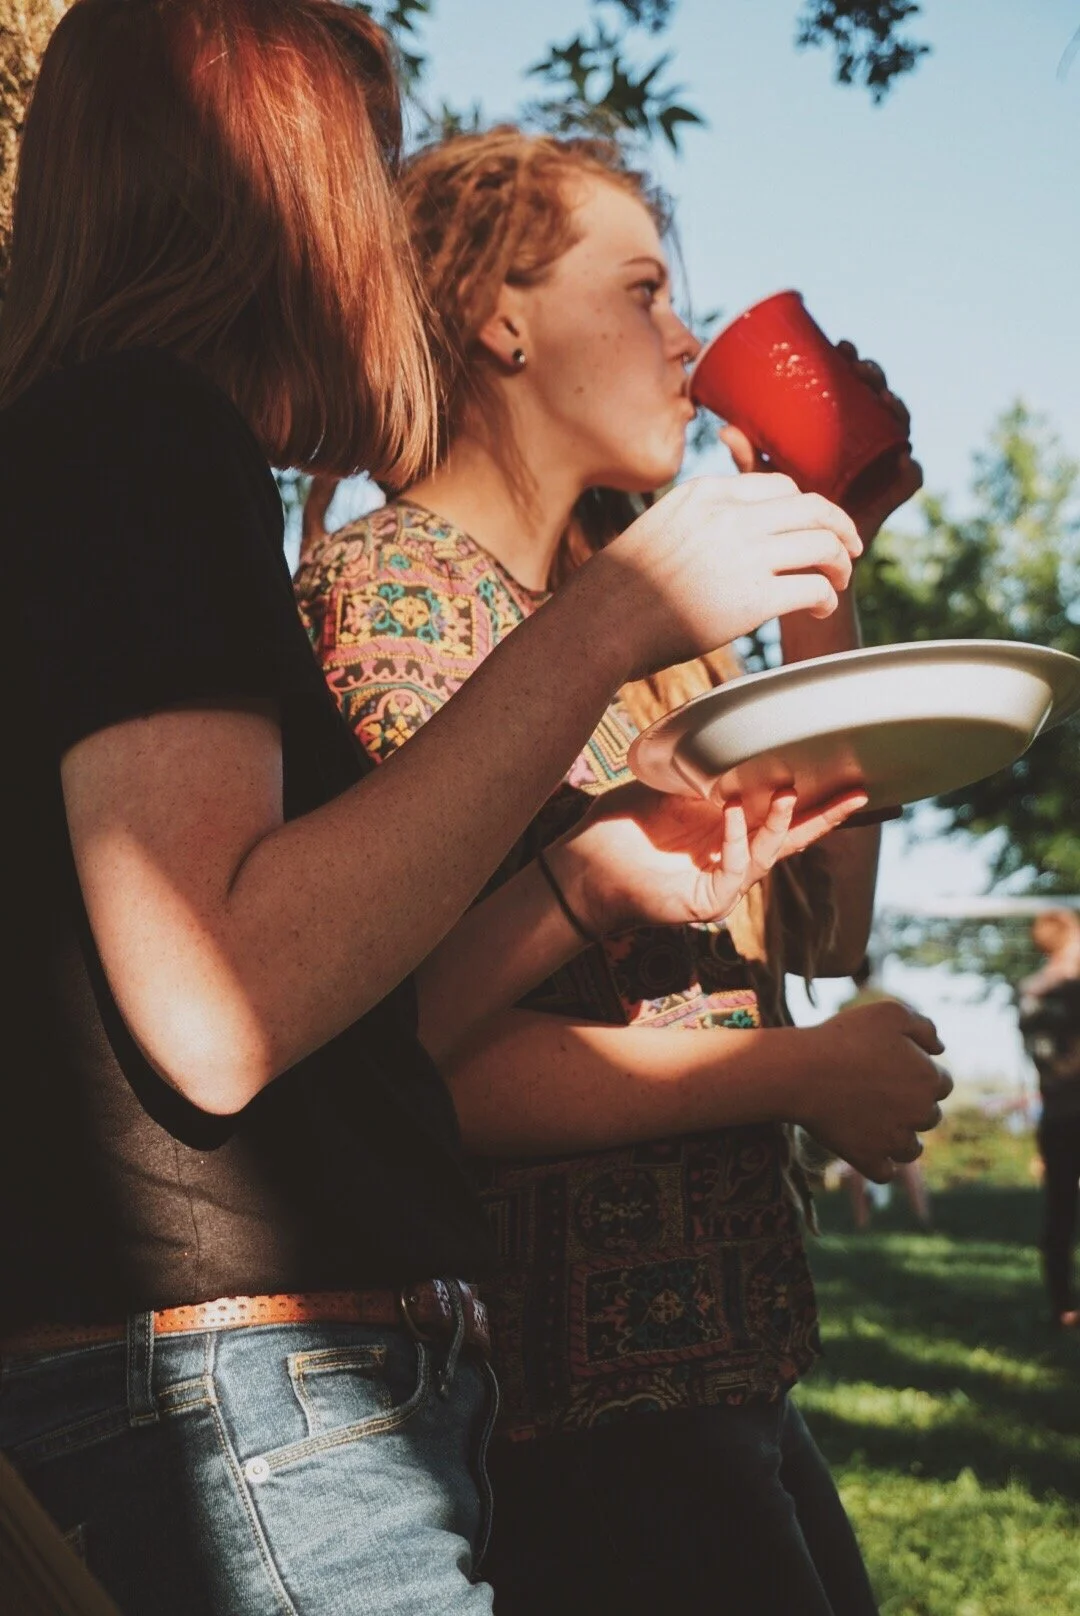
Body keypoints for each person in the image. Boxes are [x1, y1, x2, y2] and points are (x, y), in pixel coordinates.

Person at [0, 8, 878, 1615]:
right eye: (363, 169)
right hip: (251, 1409)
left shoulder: (104, 451)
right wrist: (607, 623)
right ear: (278, 182)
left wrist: (588, 869)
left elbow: (325, 989)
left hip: (274, 1401)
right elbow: (218, 1006)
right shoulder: (144, 432)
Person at [296, 127, 950, 1616]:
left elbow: (822, 923)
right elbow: (408, 1071)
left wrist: (822, 570)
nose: (690, 337)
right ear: (496, 315)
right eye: (647, 290)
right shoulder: (388, 595)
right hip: (561, 1420)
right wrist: (795, 1080)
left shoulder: (641, 618)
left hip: (725, 1377)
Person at [835, 958, 934, 1230]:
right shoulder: (895, 1001)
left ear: (849, 976)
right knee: (907, 1154)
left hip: (860, 1089)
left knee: (857, 1155)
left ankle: (862, 1221)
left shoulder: (844, 1008)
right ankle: (922, 1216)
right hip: (895, 1084)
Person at [1018, 909, 1080, 1330]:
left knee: (1059, 1208)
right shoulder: (1074, 989)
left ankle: (1063, 1306)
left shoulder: (1028, 992)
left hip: (1055, 1112)